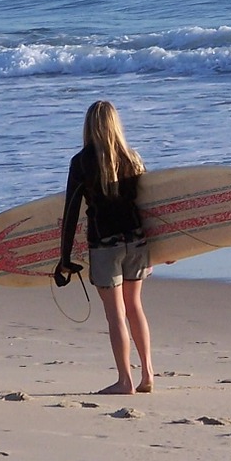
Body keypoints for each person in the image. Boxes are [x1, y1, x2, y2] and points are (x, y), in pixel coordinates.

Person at [54, 100, 154, 395]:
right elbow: (150, 206)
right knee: (135, 307)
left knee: (115, 314)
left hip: (104, 245)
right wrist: (166, 247)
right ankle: (147, 374)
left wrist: (64, 257)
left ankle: (125, 381)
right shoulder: (133, 158)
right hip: (137, 241)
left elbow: (71, 211)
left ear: (89, 126)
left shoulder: (82, 162)